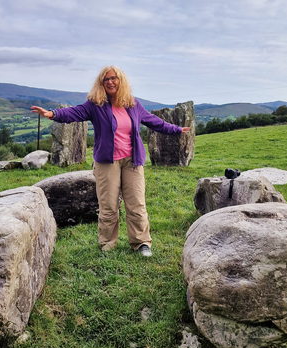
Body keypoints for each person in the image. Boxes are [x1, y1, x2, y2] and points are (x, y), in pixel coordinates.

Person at [31, 66, 191, 257]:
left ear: (120, 80)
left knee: (137, 203)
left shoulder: (133, 104)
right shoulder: (95, 105)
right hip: (107, 162)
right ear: (101, 84)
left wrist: (176, 129)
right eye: (105, 80)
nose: (110, 82)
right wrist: (52, 114)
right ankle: (107, 243)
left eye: (113, 78)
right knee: (108, 205)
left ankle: (141, 243)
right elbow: (74, 113)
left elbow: (153, 121)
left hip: (132, 161)